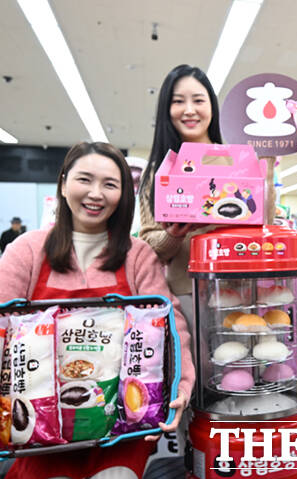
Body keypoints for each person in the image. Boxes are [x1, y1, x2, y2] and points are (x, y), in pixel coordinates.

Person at [0, 142, 195, 479]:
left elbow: (170, 325)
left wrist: (182, 385)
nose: (96, 193)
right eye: (84, 180)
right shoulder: (27, 250)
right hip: (38, 426)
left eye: (110, 184)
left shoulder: (137, 255)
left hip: (120, 427)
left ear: (123, 195)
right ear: (64, 184)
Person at [138, 64, 223, 323]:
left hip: (238, 282)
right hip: (186, 291)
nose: (189, 110)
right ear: (167, 109)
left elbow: (262, 223)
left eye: (198, 100)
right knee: (193, 351)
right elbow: (150, 245)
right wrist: (173, 235)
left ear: (211, 106)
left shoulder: (234, 160)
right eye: (178, 101)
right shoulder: (160, 171)